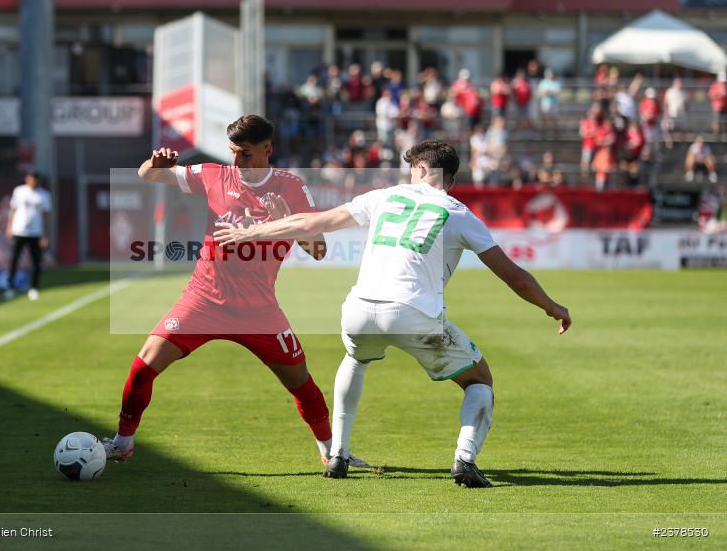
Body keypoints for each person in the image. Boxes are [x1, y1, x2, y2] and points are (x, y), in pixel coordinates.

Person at [214, 140, 572, 487]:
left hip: (359, 309)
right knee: (479, 380)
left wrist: (252, 231)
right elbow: (514, 276)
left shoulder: (383, 196)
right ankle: (464, 459)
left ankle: (338, 453)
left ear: (419, 169)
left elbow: (312, 223)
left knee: (355, 358)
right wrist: (551, 306)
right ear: (450, 178)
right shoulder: (459, 212)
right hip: (413, 312)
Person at [102, 115, 369, 470]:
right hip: (203, 299)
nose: (237, 161)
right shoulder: (213, 174)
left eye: (244, 154)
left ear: (267, 149)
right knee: (143, 366)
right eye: (233, 152)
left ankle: (331, 450)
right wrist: (156, 163)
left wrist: (285, 219)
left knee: (300, 382)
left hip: (259, 310)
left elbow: (318, 250)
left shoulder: (291, 187)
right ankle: (123, 442)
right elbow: (147, 175)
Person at [4, 170, 52, 301]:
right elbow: (13, 209)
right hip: (19, 231)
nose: (33, 182)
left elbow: (46, 216)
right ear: (27, 179)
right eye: (31, 179)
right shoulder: (19, 191)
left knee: (36, 262)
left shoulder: (44, 195)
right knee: (14, 260)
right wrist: (9, 226)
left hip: (36, 233)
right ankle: (10, 287)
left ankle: (34, 288)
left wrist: (45, 235)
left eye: (35, 179)